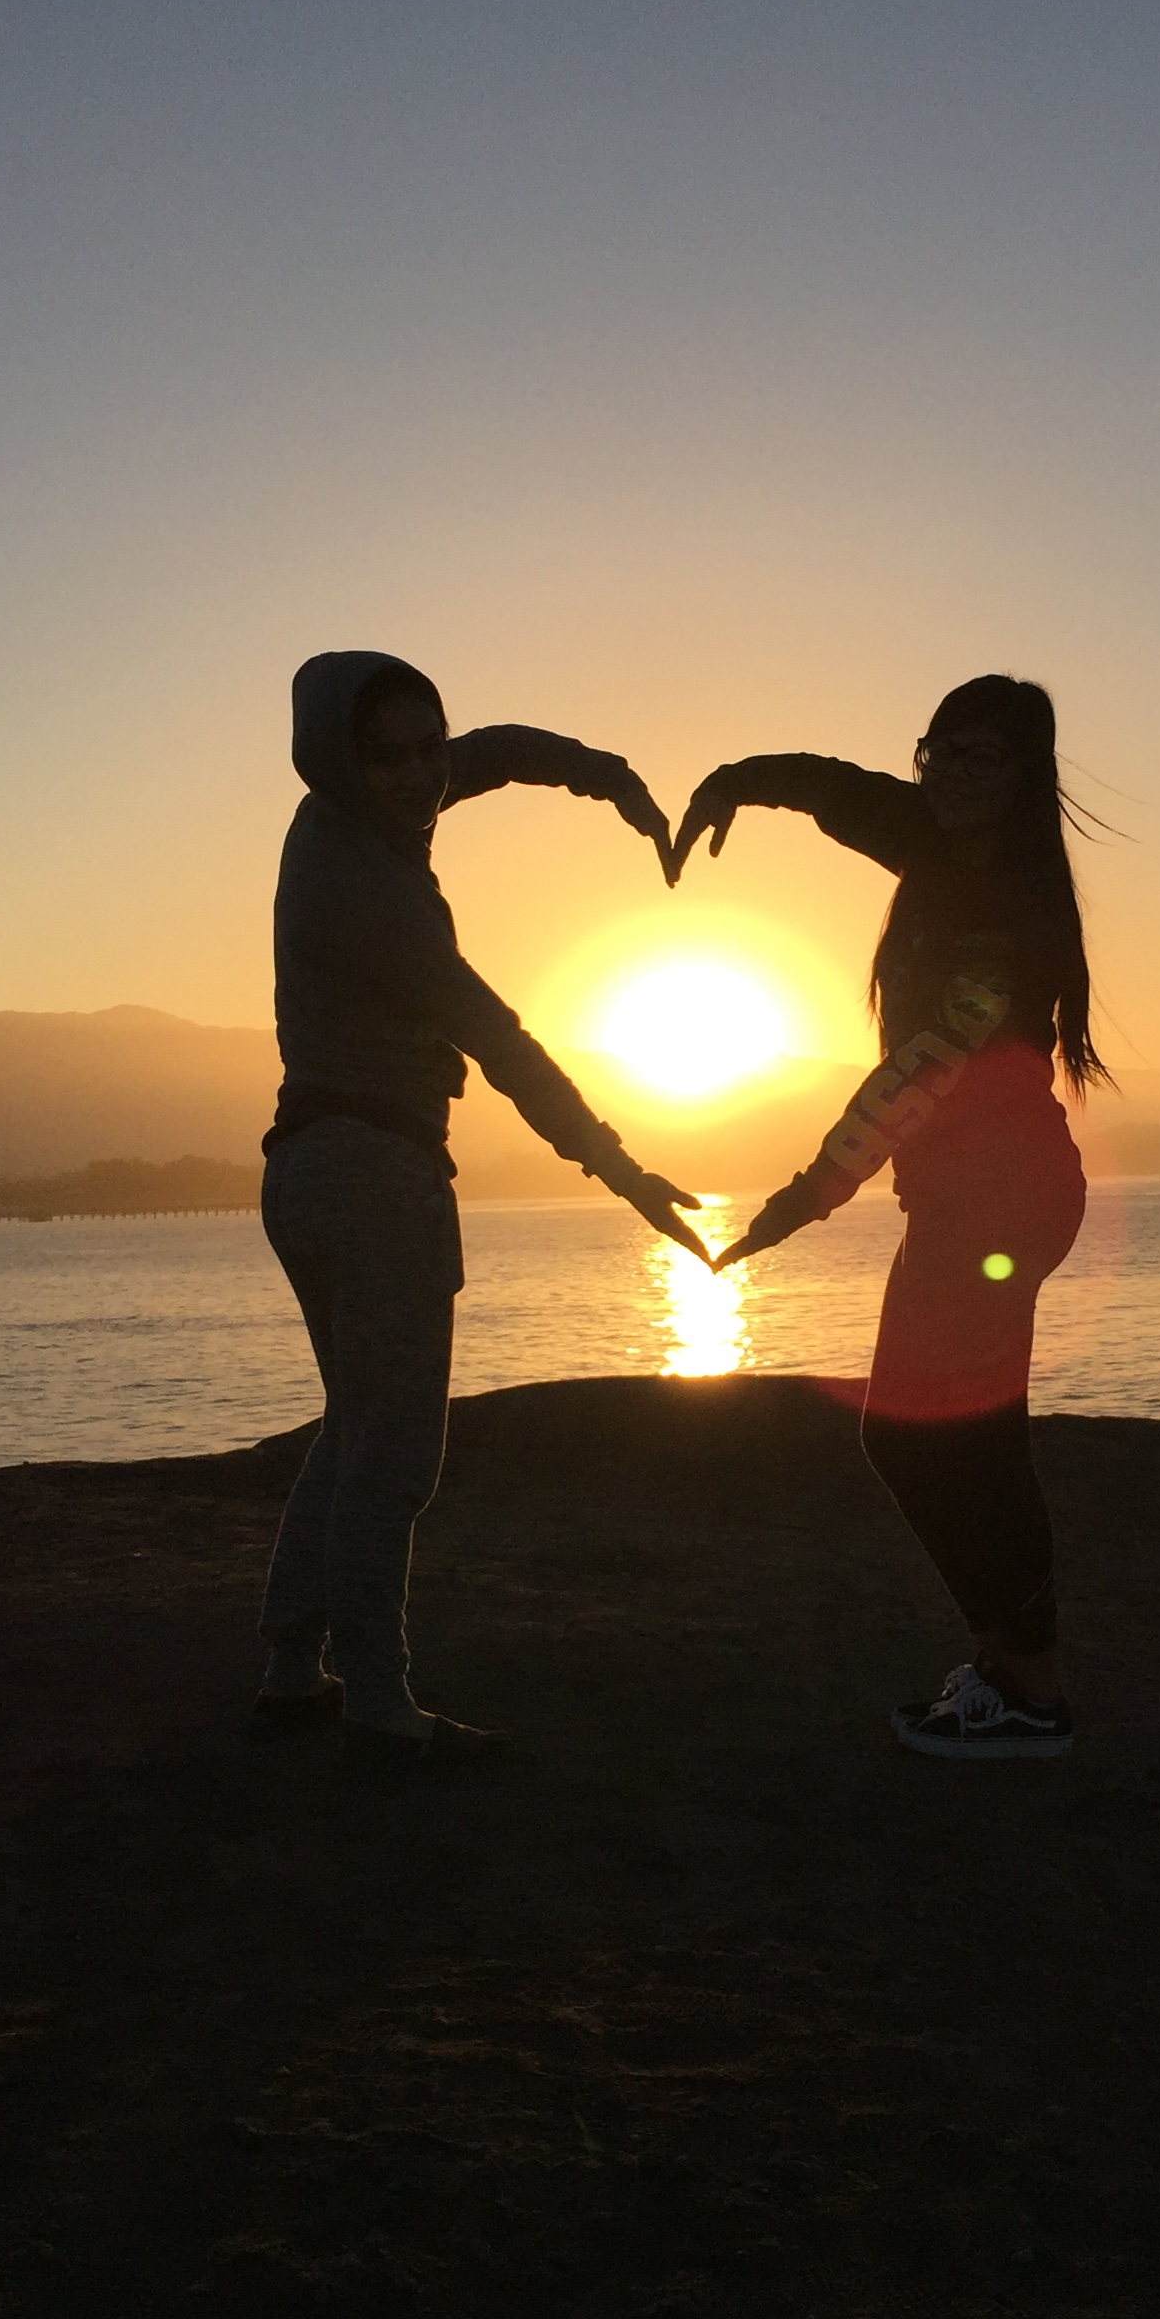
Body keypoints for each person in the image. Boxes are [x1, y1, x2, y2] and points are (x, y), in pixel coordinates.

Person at [257, 648, 706, 1773]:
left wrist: (598, 773)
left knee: (351, 1430)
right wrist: (624, 1172)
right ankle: (379, 1704)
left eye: (425, 749)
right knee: (394, 1460)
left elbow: (489, 758)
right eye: (390, 756)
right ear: (337, 758)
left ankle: (285, 1671)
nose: (420, 777)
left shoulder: (339, 817)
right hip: (375, 1180)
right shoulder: (370, 893)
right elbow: (498, 1038)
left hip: (307, 1167)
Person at [673, 674, 1108, 1759]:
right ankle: (1012, 1671)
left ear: (1027, 778)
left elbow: (924, 1069)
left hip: (1001, 1200)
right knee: (953, 1440)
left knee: (940, 1443)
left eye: (984, 760)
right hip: (967, 1197)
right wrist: (734, 782)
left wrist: (804, 1197)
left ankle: (1032, 1686)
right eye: (940, 752)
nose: (954, 777)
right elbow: (831, 789)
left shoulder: (1012, 909)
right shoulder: (923, 834)